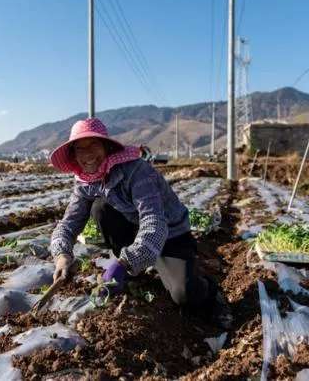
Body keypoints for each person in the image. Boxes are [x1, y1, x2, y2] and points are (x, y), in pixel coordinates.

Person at [49, 117, 225, 320]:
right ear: (74, 154)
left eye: (93, 144)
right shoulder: (85, 182)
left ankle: (209, 289)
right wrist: (62, 256)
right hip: (135, 232)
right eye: (80, 148)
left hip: (171, 234)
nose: (87, 153)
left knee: (183, 295)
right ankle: (136, 271)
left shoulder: (136, 171)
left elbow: (154, 222)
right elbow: (69, 223)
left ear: (106, 146)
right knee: (101, 208)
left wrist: (125, 262)